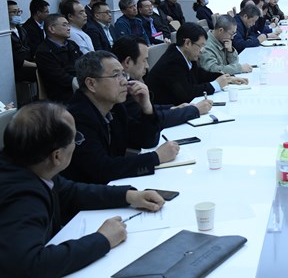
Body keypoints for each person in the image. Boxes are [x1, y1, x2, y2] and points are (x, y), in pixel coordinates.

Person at [0, 102, 165, 277]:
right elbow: (29, 265)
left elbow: (70, 192)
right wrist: (102, 239)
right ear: (57, 156)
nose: (76, 144)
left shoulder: (29, 164)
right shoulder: (22, 197)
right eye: (75, 138)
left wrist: (128, 196)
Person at [63, 51, 179, 184]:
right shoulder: (76, 118)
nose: (124, 81)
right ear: (91, 84)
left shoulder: (116, 108)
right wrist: (155, 157)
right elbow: (101, 169)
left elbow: (147, 141)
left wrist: (146, 108)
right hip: (88, 192)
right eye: (116, 75)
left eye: (123, 74)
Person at [112, 36, 212, 128]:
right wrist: (195, 110)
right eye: (144, 60)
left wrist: (173, 108)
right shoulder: (120, 89)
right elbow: (156, 119)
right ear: (128, 61)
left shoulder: (128, 82)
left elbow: (150, 109)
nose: (147, 66)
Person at [147, 22, 247, 105]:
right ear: (187, 43)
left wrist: (225, 78)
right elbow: (186, 93)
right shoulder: (172, 62)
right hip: (165, 112)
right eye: (201, 45)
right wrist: (216, 85)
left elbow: (200, 75)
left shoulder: (187, 54)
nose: (202, 50)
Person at [34, 14, 83, 103]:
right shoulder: (44, 52)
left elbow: (84, 64)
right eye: (64, 25)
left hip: (79, 85)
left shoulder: (72, 45)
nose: (69, 28)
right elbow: (59, 77)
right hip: (62, 94)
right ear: (52, 29)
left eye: (68, 25)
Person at [7, 0, 37, 82]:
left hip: (30, 61)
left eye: (19, 11)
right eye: (14, 12)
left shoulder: (21, 29)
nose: (18, 14)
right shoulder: (5, 35)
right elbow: (15, 59)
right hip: (17, 68)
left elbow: (30, 46)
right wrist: (35, 64)